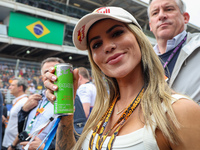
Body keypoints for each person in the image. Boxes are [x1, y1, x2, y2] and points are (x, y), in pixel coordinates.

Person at [44, 6, 200, 150]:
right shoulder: (101, 111)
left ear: (138, 38)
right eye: (96, 44)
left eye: (117, 33)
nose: (107, 46)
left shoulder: (180, 110)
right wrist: (66, 115)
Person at [148, 0, 200, 104]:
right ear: (150, 26)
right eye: (155, 13)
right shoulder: (143, 62)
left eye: (169, 9)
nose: (161, 15)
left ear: (185, 18)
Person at [2, 77, 28, 150]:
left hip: (14, 146)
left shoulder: (24, 102)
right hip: (9, 143)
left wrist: (13, 145)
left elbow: (23, 127)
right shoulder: (18, 101)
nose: (9, 87)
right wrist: (5, 121)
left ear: (20, 87)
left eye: (12, 85)